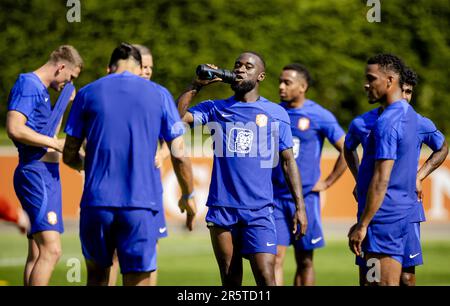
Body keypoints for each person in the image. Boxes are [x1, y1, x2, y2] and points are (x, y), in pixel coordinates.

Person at [63, 43, 195, 286]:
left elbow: (69, 153)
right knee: (138, 280)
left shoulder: (87, 93)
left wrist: (85, 164)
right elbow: (179, 154)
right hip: (139, 205)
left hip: (96, 205)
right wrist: (188, 194)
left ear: (110, 68)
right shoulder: (159, 94)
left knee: (97, 278)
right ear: (138, 68)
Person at [176, 52, 307, 286]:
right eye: (237, 65)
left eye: (248, 66)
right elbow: (177, 118)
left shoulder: (276, 113)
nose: (240, 70)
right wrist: (195, 86)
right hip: (222, 209)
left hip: (260, 210)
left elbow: (288, 161)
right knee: (230, 278)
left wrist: (300, 207)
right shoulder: (215, 108)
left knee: (267, 276)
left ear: (261, 76)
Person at [346, 66, 448, 286]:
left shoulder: (419, 122)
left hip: (407, 209)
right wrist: (358, 177)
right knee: (370, 278)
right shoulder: (362, 123)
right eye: (404, 91)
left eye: (410, 93)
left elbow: (442, 148)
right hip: (374, 209)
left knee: (406, 277)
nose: (405, 97)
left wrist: (419, 176)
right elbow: (348, 148)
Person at [6, 45, 83, 286]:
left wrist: (63, 104)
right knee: (52, 251)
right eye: (70, 77)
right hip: (36, 174)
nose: (68, 82)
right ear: (61, 67)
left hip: (46, 174)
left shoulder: (41, 90)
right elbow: (15, 128)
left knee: (38, 253)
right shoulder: (28, 84)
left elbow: (48, 133)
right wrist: (56, 143)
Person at [272, 64, 347, 286]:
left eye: (287, 82)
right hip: (275, 198)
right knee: (274, 258)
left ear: (303, 86)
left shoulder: (319, 115)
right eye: (280, 81)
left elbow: (347, 148)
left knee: (304, 261)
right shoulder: (273, 112)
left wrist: (327, 182)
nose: (281, 86)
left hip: (306, 199)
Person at [107, 44, 170, 286]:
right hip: (114, 184)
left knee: (148, 253)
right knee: (111, 254)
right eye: (143, 66)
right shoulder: (110, 95)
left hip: (148, 187)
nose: (147, 72)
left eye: (151, 68)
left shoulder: (156, 96)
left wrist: (162, 155)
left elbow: (174, 140)